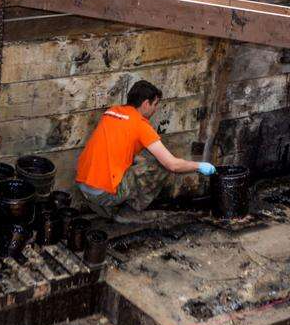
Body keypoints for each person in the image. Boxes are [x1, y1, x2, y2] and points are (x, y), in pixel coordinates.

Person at [75, 80, 216, 223]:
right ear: (145, 104)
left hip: (83, 185)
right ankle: (129, 212)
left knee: (140, 158)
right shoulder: (141, 126)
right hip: (101, 194)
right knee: (160, 166)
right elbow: (172, 164)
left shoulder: (111, 112)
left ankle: (106, 208)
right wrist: (199, 166)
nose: (155, 110)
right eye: (155, 104)